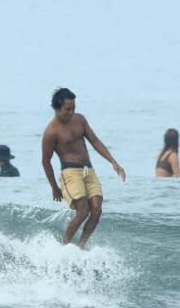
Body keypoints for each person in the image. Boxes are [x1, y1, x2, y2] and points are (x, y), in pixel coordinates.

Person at [41, 87, 126, 248]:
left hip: (89, 171)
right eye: (67, 109)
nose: (71, 112)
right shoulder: (51, 132)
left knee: (96, 210)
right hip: (70, 173)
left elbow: (95, 142)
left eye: (74, 108)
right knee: (83, 211)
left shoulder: (80, 120)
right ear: (58, 107)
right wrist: (54, 187)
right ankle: (64, 246)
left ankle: (80, 246)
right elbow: (45, 161)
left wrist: (113, 162)